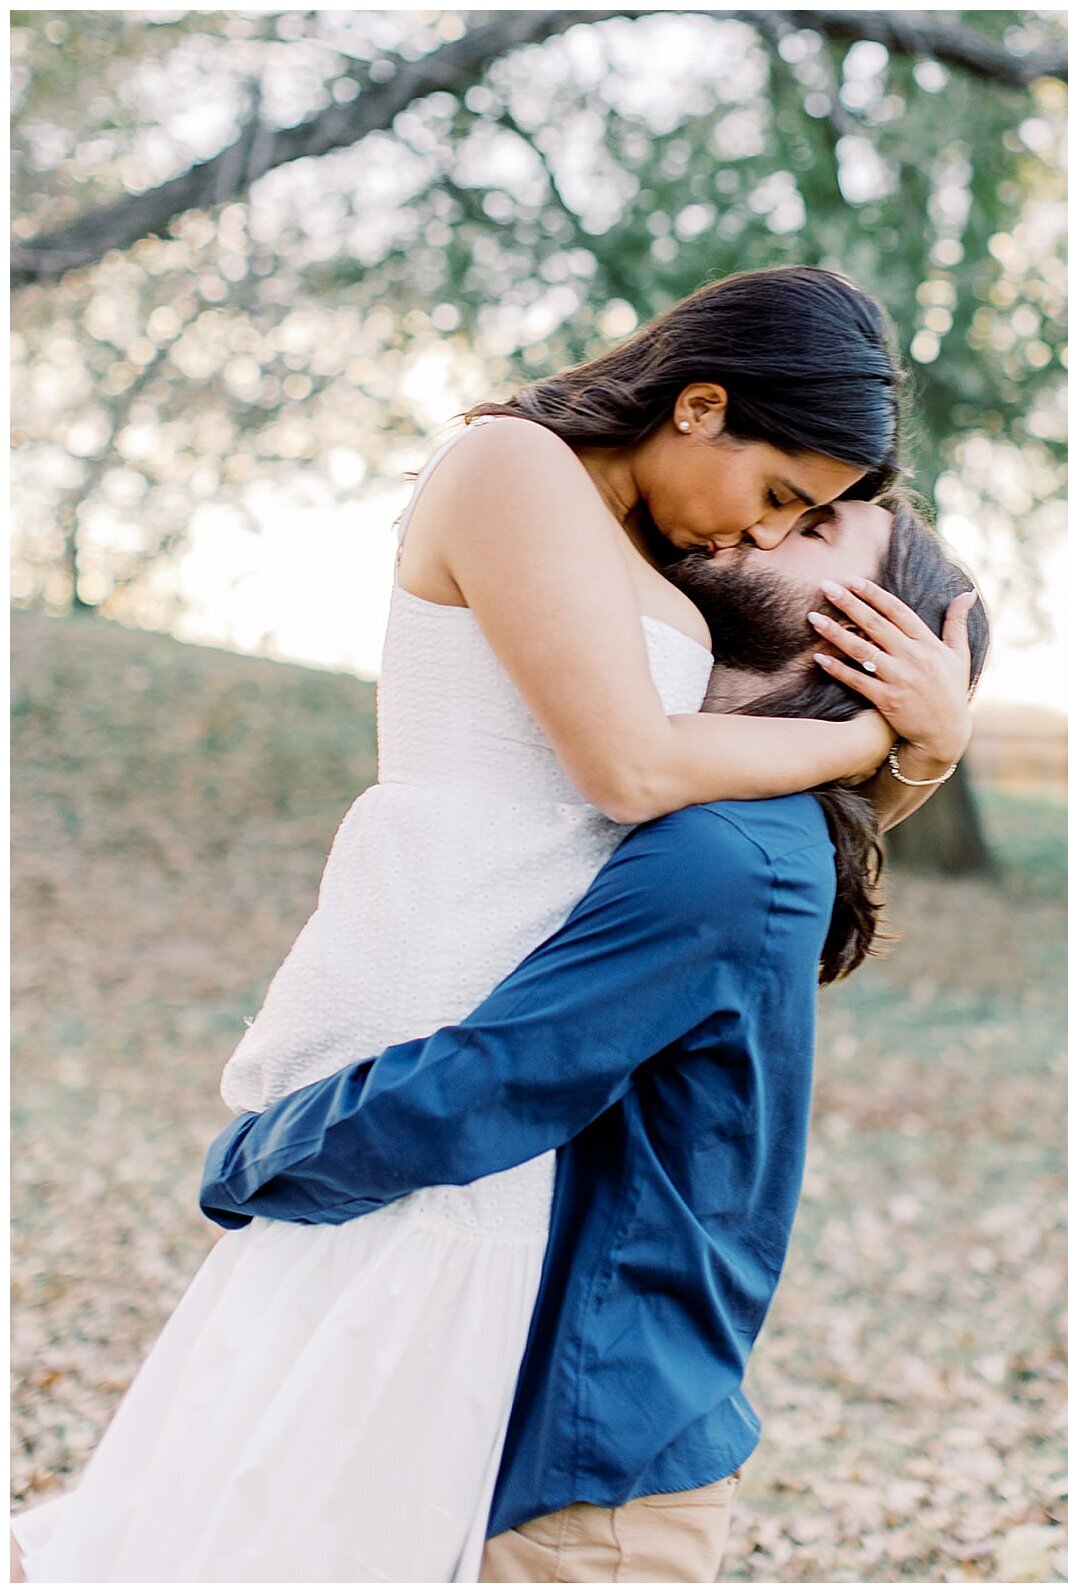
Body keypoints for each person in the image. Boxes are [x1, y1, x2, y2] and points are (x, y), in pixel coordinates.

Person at [11, 267, 966, 1583]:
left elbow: (736, 854)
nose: (765, 533)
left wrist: (922, 752)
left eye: (804, 520)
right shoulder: (513, 465)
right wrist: (872, 733)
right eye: (781, 494)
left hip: (532, 1043)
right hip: (446, 998)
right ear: (699, 405)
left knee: (395, 1474)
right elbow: (632, 772)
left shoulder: (649, 546)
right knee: (290, 1479)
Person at [199, 497, 990, 1582]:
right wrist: (905, 753)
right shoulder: (723, 816)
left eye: (809, 531)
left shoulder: (723, 851)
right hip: (531, 1426)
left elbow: (499, 1080)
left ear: (866, 638)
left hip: (589, 1485)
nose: (760, 528)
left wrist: (258, 1154)